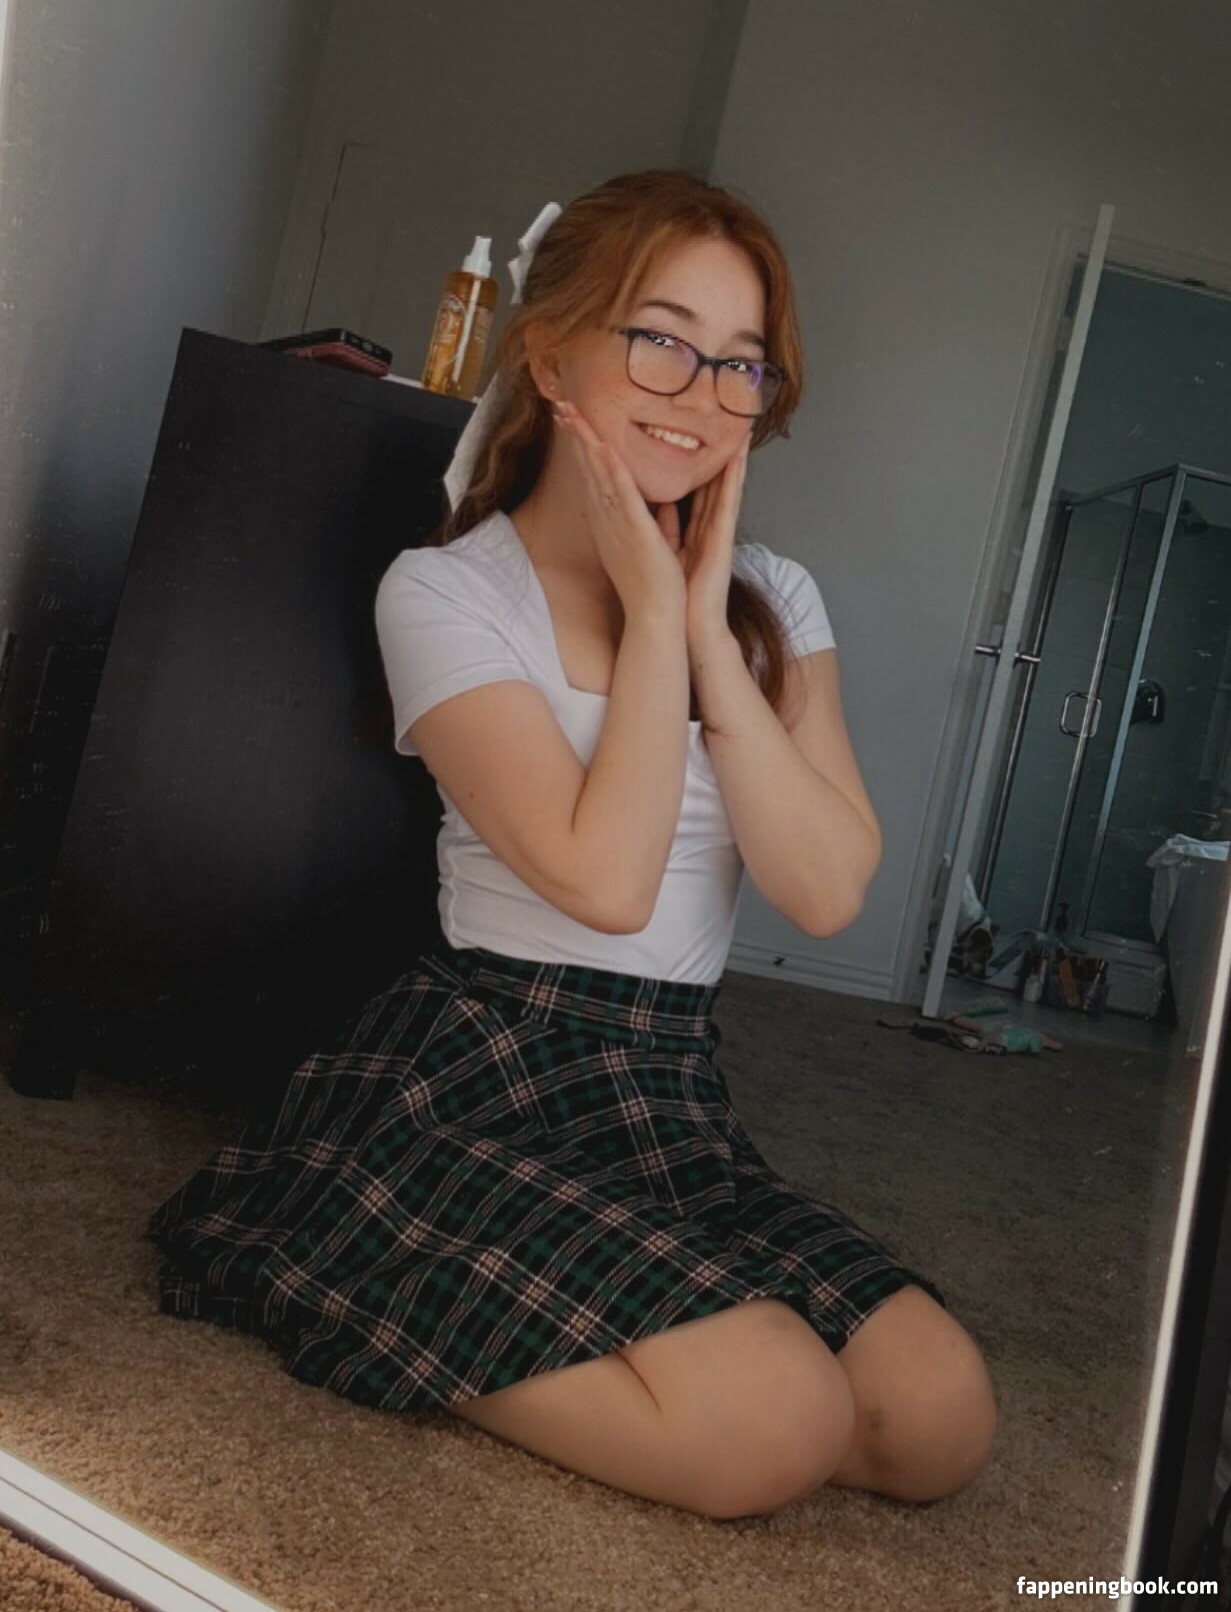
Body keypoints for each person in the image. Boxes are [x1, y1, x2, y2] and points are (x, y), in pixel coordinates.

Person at [148, 169, 996, 1523]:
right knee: (776, 1421)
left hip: (668, 1089)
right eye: (661, 339)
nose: (701, 395)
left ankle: (592, 1323)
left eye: (741, 363)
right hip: (481, 1074)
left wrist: (706, 625)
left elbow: (828, 890)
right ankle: (372, 1275)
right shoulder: (446, 592)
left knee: (938, 1417)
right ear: (549, 354)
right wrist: (653, 619)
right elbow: (607, 882)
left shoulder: (776, 601)